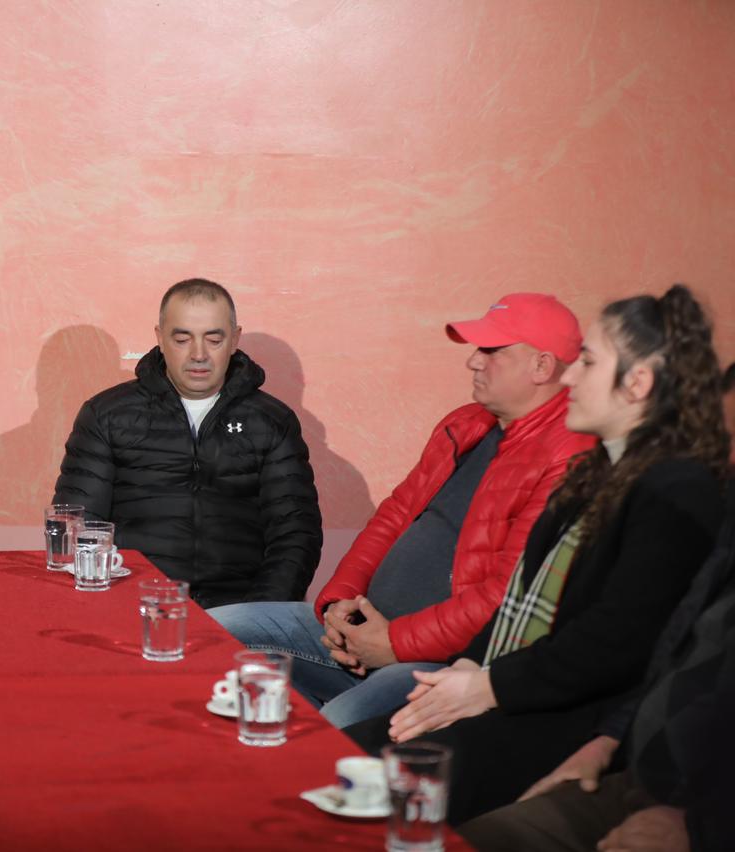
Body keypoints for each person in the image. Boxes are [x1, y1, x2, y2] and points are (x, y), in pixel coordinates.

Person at [343, 284, 729, 825]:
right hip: (507, 689)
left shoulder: (676, 491)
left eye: (588, 362)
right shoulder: (598, 474)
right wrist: (466, 672)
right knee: (333, 757)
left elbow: (616, 642)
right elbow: (518, 600)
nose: (568, 378)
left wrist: (485, 686)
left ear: (637, 383)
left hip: (560, 720)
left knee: (357, 782)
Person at [210, 293, 595, 727]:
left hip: (441, 660)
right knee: (212, 629)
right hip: (365, 627)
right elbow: (393, 517)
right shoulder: (465, 423)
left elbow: (507, 595)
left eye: (491, 350)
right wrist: (339, 603)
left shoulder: (569, 456)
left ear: (542, 366)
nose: (473, 361)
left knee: (339, 722)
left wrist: (393, 643)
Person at [458, 486, 735, 852]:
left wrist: (701, 828)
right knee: (466, 835)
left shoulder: (683, 488)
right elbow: (674, 647)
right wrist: (610, 740)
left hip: (700, 810)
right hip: (640, 769)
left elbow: (613, 638)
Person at [52, 278, 322, 608]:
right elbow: (80, 528)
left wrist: (258, 615)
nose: (199, 354)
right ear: (160, 338)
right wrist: (113, 608)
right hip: (134, 606)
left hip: (241, 610)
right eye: (182, 339)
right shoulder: (106, 415)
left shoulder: (271, 421)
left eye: (214, 339)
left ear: (234, 340)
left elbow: (295, 536)